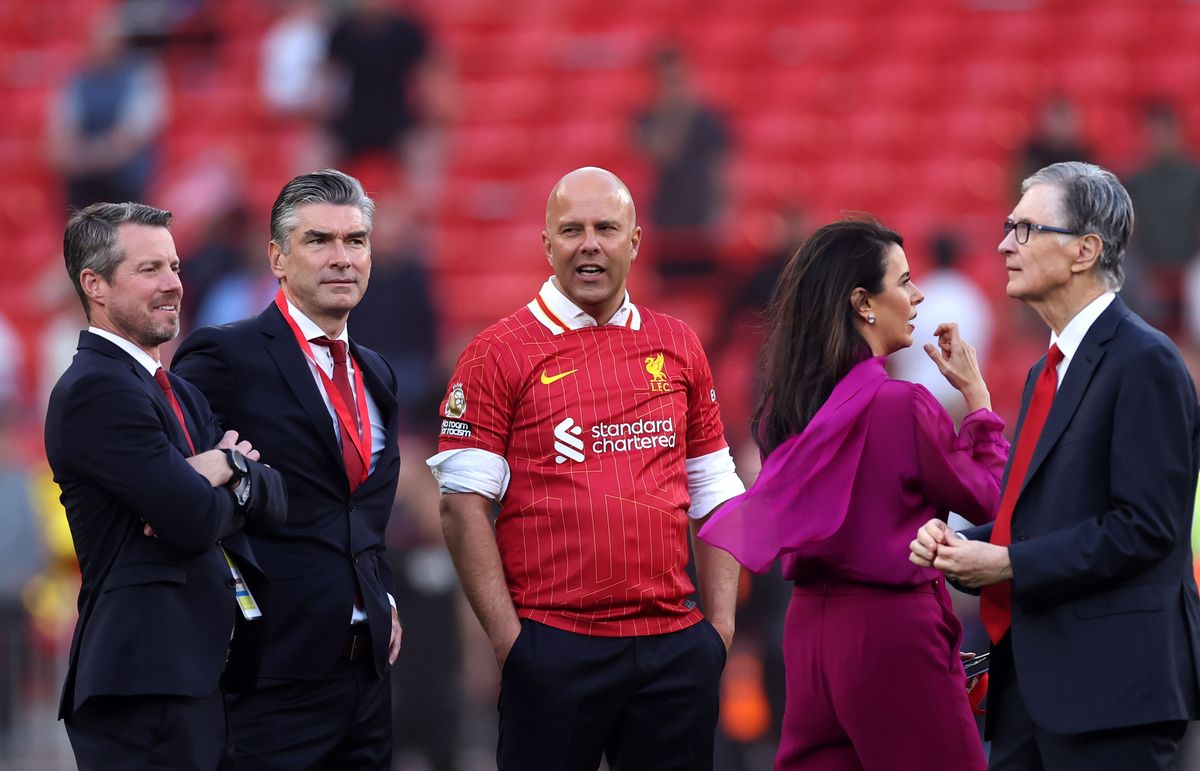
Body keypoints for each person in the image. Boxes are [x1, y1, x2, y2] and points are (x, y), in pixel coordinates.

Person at [427, 166, 745, 771]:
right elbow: (460, 506)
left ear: (635, 241)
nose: (589, 244)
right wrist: (511, 644)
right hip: (553, 645)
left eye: (606, 228)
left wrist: (719, 632)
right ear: (547, 244)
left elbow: (717, 489)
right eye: (572, 230)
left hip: (674, 647)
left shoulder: (678, 343)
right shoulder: (497, 352)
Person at [910, 161, 1200, 771]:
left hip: (1112, 694)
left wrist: (1007, 563)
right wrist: (965, 547)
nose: (1004, 245)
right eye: (1007, 227)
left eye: (1025, 229)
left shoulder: (1145, 361)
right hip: (1032, 689)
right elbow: (1047, 521)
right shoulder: (1049, 369)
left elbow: (1146, 528)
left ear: (1084, 252)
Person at [698, 219, 1003, 771]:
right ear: (863, 303)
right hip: (892, 631)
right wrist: (978, 402)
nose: (918, 295)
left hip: (807, 633)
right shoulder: (904, 406)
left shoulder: (787, 409)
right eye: (903, 282)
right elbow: (987, 498)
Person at [173, 169, 404, 770]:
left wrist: (377, 592)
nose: (341, 258)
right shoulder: (224, 354)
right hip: (270, 675)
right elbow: (175, 488)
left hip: (367, 673)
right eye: (319, 240)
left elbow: (359, 509)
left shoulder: (376, 371)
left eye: (355, 241)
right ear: (277, 257)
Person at [44, 202, 286, 770]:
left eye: (174, 267)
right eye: (149, 269)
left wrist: (222, 469)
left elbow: (276, 497)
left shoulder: (179, 392)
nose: (173, 283)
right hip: (144, 683)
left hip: (198, 675)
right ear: (95, 285)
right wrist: (223, 476)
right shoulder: (95, 390)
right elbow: (191, 520)